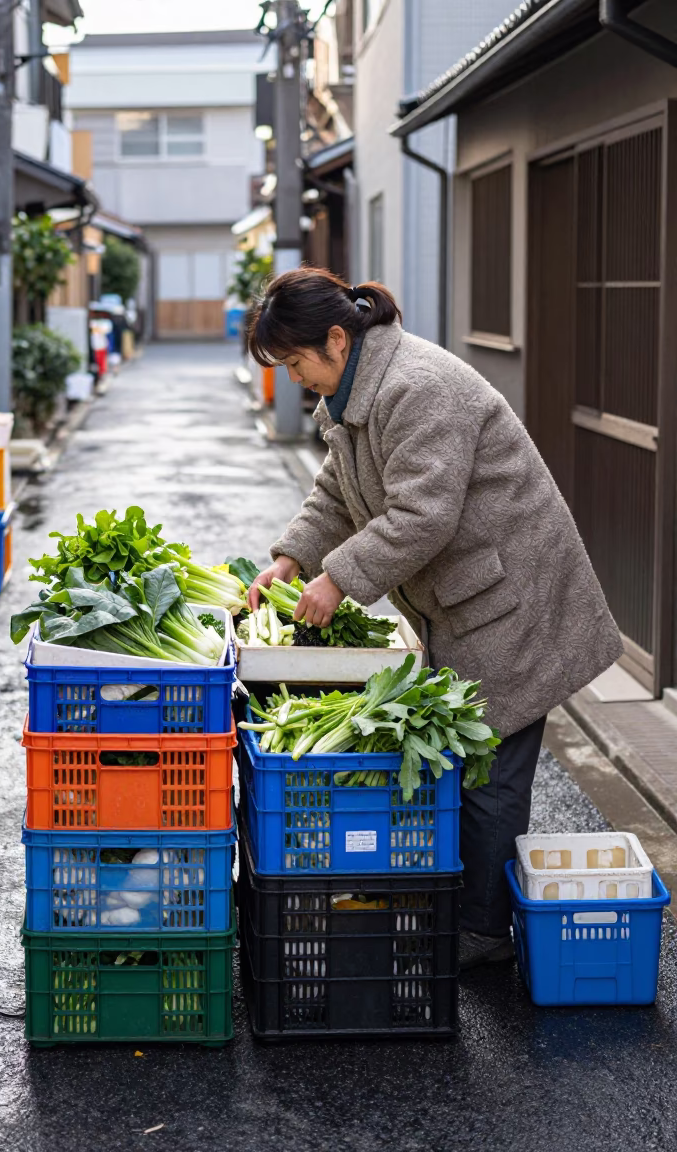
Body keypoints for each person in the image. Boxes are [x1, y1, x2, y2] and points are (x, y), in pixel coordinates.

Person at [246, 267, 623, 970]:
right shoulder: (356, 386)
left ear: (335, 338)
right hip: (470, 597)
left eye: (296, 362)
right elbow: (339, 487)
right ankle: (471, 914)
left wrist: (338, 579)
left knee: (491, 769)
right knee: (472, 760)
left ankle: (483, 935)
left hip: (513, 593)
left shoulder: (417, 387)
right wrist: (294, 557)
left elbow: (424, 515)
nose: (296, 378)